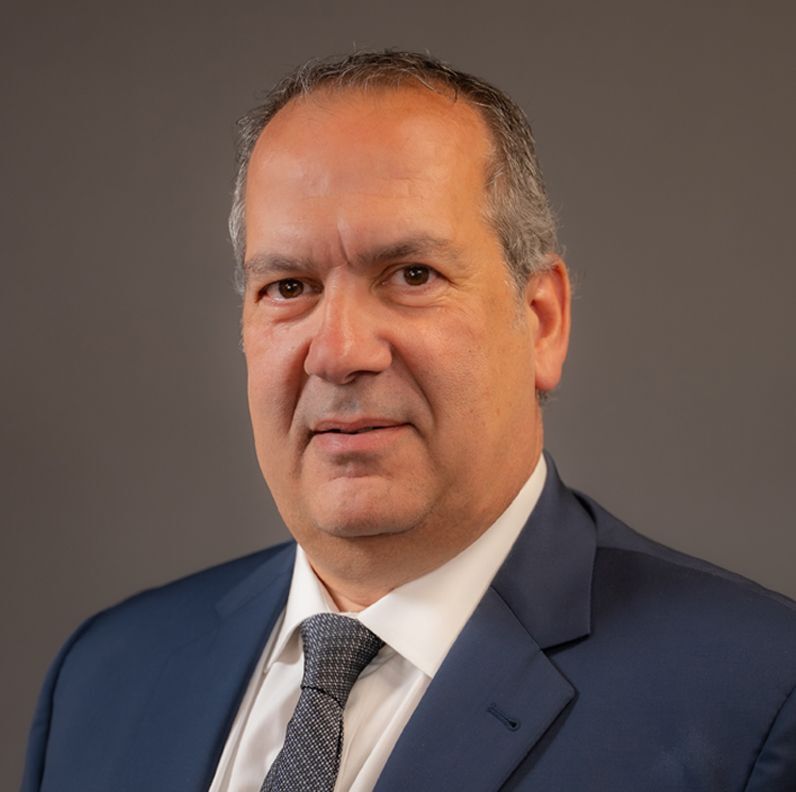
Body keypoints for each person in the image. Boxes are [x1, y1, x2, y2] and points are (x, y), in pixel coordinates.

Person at [22, 50, 796, 792]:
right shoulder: (105, 678)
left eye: (412, 275)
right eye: (289, 286)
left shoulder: (756, 700)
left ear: (543, 322)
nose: (339, 353)